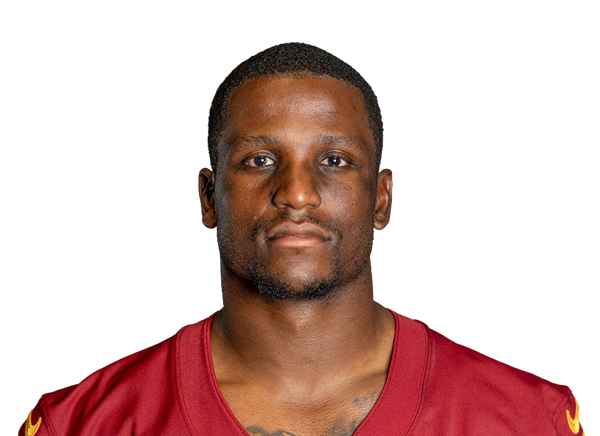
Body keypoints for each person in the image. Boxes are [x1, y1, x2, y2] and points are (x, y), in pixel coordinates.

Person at [19, 42, 585, 436]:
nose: (296, 193)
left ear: (382, 198)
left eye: (333, 160)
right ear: (207, 197)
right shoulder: (80, 424)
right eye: (259, 160)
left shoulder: (530, 420)